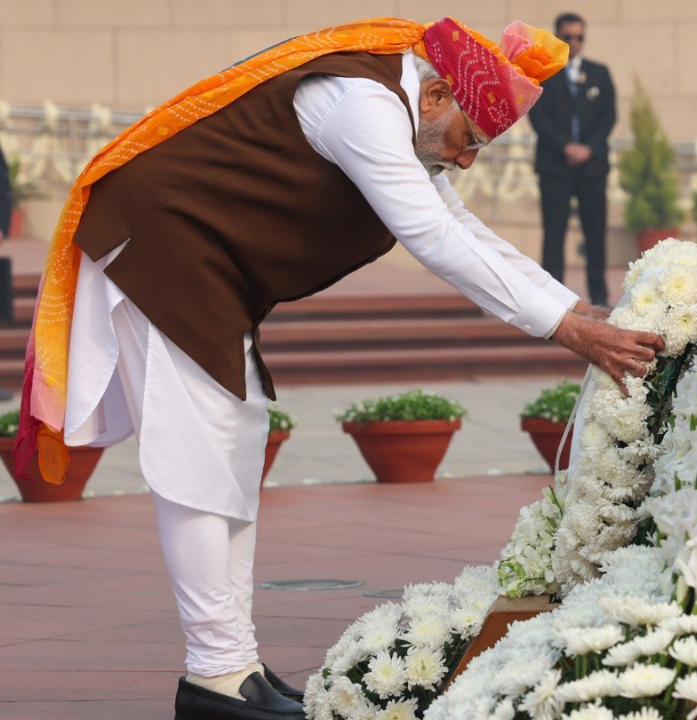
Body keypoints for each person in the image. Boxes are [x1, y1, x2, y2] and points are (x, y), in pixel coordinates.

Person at [15, 17, 662, 720]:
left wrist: (575, 308)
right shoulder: (363, 105)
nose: (467, 161)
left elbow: (462, 226)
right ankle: (214, 675)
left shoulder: (404, 117)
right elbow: (433, 236)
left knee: (234, 441)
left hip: (204, 264)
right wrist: (564, 329)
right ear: (440, 94)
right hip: (159, 246)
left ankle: (232, 670)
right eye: (470, 141)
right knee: (201, 456)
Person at [529, 11, 617, 307]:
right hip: (556, 165)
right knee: (554, 233)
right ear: (558, 38)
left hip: (592, 166)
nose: (575, 43)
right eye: (569, 37)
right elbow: (537, 117)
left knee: (595, 233)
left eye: (580, 37)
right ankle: (552, 299)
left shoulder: (599, 72)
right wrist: (566, 146)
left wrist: (588, 147)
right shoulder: (543, 74)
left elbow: (609, 115)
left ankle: (599, 296)